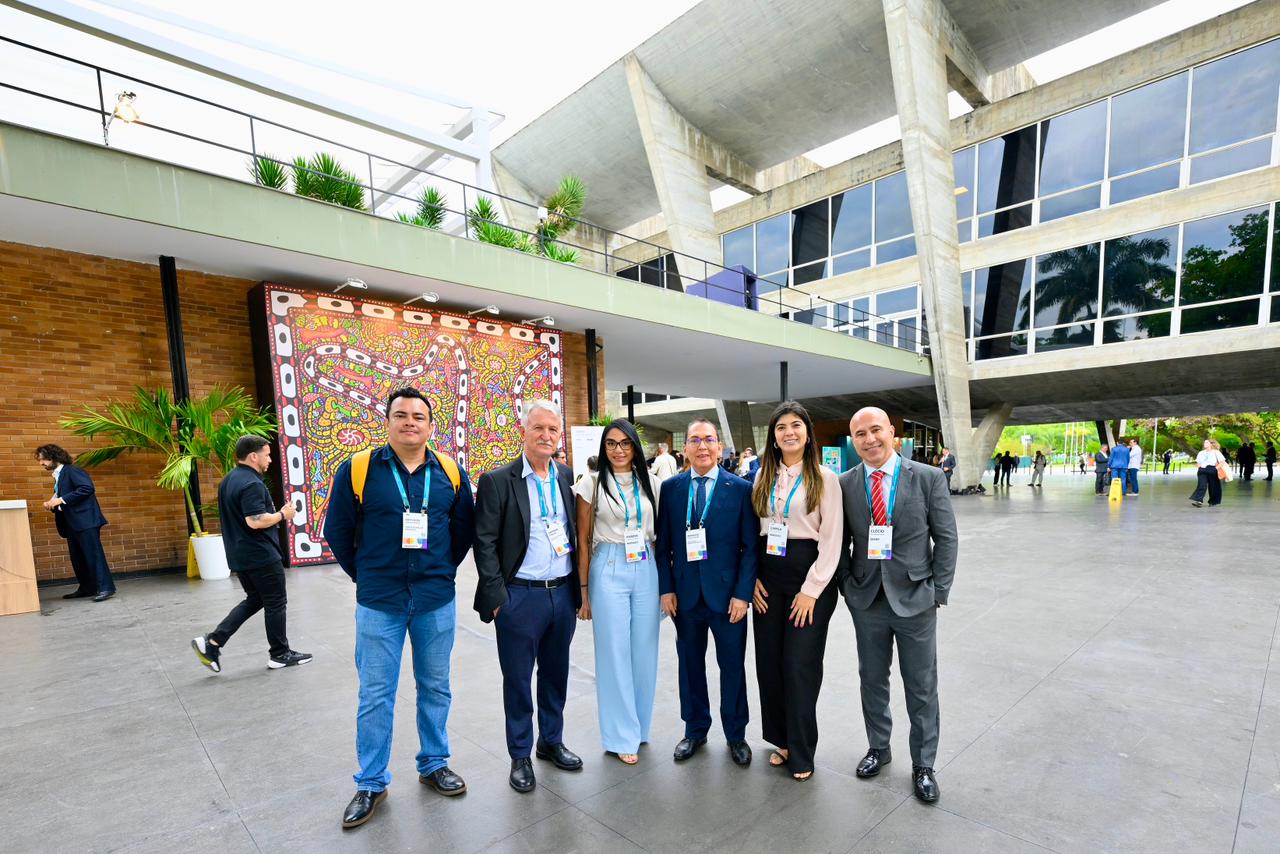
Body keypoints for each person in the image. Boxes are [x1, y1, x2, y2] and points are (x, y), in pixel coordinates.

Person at [325, 388, 476, 828]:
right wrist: (368, 575)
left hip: (434, 599)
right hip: (380, 602)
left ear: (431, 425)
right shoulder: (357, 470)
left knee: (435, 686)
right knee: (375, 694)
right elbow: (338, 530)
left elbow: (463, 529)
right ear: (387, 421)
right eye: (401, 415)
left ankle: (433, 764)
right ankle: (371, 780)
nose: (410, 422)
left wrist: (440, 571)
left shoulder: (449, 471)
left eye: (419, 416)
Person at [838, 407, 957, 804]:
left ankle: (923, 764)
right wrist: (846, 586)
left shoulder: (927, 478)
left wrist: (937, 591)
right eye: (860, 434)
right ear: (853, 440)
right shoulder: (844, 484)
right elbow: (840, 543)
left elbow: (946, 538)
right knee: (872, 679)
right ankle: (879, 748)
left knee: (921, 686)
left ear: (893, 433)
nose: (869, 439)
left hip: (916, 600)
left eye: (876, 431)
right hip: (867, 599)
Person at [474, 400, 583, 794]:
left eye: (553, 430)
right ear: (523, 430)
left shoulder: (567, 477)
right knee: (518, 680)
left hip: (562, 594)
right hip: (520, 597)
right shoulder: (499, 480)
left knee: (556, 674)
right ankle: (519, 754)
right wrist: (498, 594)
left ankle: (550, 742)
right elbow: (484, 541)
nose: (546, 436)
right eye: (539, 428)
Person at [654, 417, 757, 767]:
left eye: (708, 440)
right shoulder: (671, 489)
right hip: (685, 597)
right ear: (685, 448)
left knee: (732, 667)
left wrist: (743, 595)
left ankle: (736, 734)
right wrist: (666, 589)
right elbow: (663, 544)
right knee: (689, 665)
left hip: (728, 599)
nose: (702, 446)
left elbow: (749, 548)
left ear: (719, 447)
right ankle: (695, 729)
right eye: (695, 440)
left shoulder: (740, 488)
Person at [749, 402, 842, 781]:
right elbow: (753, 532)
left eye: (796, 425)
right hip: (768, 577)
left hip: (809, 576)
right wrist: (752, 577)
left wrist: (812, 590)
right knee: (769, 664)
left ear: (807, 432)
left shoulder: (824, 478)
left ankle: (802, 752)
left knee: (799, 666)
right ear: (773, 436)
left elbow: (833, 540)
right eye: (781, 427)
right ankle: (782, 740)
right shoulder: (762, 477)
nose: (789, 432)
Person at [573, 419, 661, 766]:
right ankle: (619, 734)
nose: (619, 450)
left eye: (625, 443)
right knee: (613, 653)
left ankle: (638, 727)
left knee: (644, 651)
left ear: (635, 448)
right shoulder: (590, 483)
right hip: (608, 565)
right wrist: (583, 593)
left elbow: (661, 534)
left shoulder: (653, 483)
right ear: (603, 448)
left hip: (646, 565)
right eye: (611, 443)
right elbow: (582, 540)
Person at [191, 436, 311, 675]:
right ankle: (279, 654)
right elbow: (255, 520)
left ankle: (213, 642)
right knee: (276, 602)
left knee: (256, 599)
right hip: (260, 555)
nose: (269, 459)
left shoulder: (229, 480)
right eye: (266, 454)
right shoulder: (252, 483)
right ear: (253, 456)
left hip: (241, 555)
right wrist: (283, 514)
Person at [36, 444, 116, 601]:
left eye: (42, 459)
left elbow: (87, 488)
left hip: (85, 521)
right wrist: (53, 501)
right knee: (78, 558)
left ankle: (106, 588)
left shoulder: (72, 470)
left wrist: (61, 499)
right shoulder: (59, 475)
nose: (41, 463)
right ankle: (87, 588)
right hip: (72, 523)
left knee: (93, 555)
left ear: (53, 457)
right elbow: (65, 494)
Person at [1189, 439, 1227, 508]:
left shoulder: (1216, 452)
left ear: (1211, 444)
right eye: (1204, 442)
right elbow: (1198, 462)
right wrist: (1200, 467)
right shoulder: (1201, 452)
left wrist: (1215, 469)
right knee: (1201, 485)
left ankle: (1213, 501)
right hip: (1202, 471)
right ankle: (1199, 501)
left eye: (1206, 442)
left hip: (1212, 470)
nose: (1204, 443)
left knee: (1213, 487)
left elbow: (1222, 462)